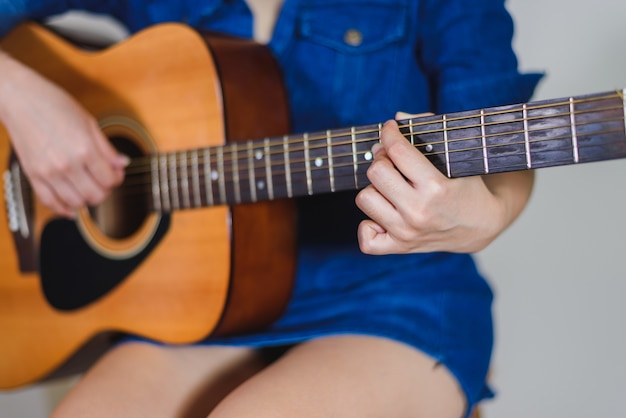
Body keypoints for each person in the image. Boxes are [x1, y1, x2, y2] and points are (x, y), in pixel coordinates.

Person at [0, 1, 541, 417]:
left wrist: (489, 216)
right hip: (197, 305)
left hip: (391, 299)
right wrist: (22, 97)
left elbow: (503, 143)